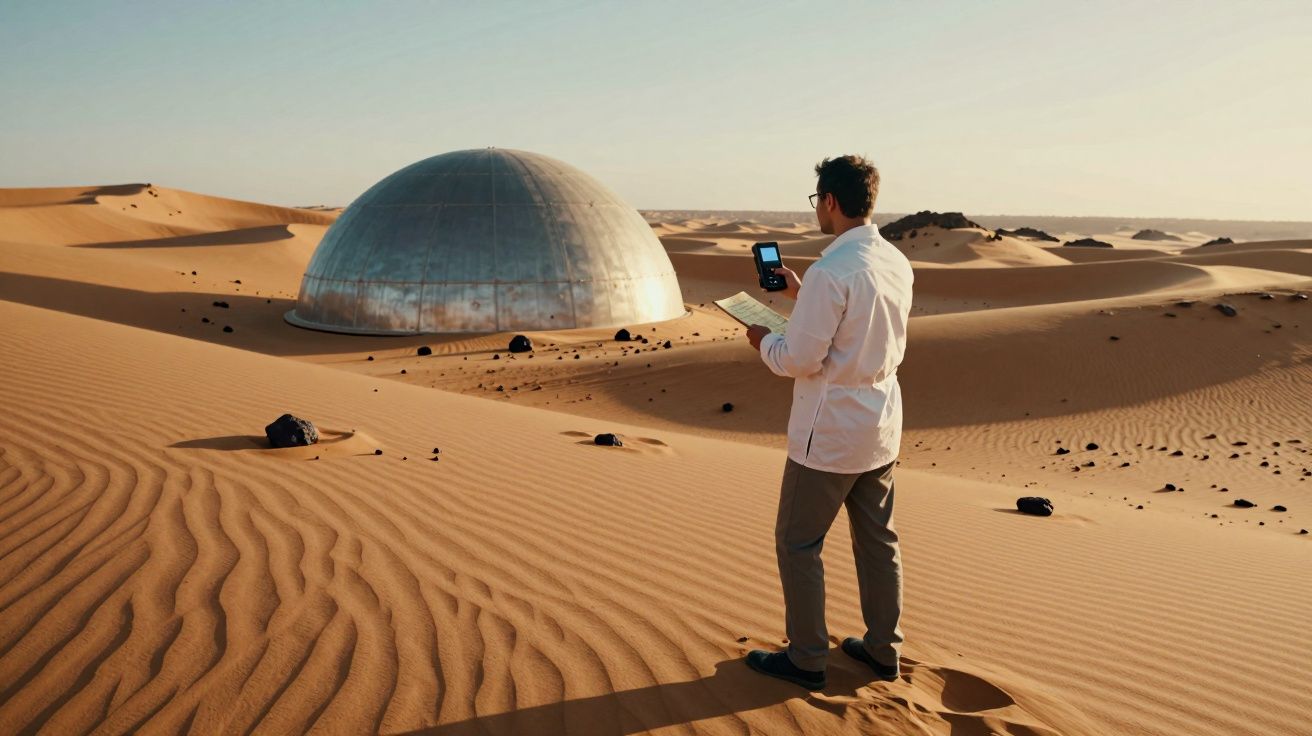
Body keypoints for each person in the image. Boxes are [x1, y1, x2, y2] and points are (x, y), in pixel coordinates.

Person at [742, 155, 914, 691]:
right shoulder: (894, 261)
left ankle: (807, 657)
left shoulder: (831, 272)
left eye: (818, 200)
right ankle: (884, 651)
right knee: (878, 541)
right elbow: (860, 323)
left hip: (830, 435)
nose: (817, 209)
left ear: (831, 201)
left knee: (798, 543)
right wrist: (802, 295)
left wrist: (763, 341)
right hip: (879, 428)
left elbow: (799, 359)